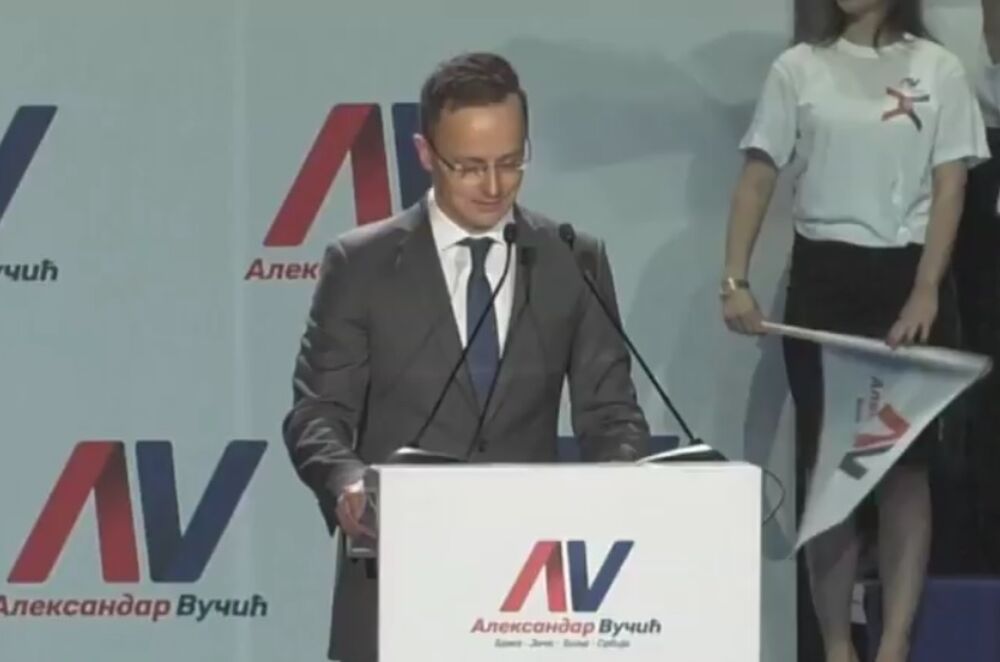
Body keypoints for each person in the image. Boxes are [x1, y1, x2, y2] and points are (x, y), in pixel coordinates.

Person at [281, 52, 650, 662]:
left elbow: (611, 415)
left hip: (533, 592)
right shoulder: (361, 264)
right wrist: (348, 483)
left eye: (510, 162)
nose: (494, 186)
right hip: (397, 577)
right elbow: (317, 414)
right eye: (471, 166)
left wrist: (620, 482)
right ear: (425, 154)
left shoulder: (571, 257)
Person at [720, 0, 990, 660]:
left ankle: (893, 643)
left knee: (904, 471)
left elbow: (950, 184)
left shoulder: (939, 68)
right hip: (824, 283)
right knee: (830, 468)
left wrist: (926, 286)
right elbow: (758, 177)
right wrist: (735, 279)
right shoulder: (798, 68)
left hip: (906, 279)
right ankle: (837, 645)